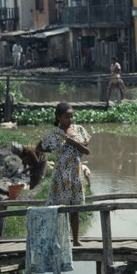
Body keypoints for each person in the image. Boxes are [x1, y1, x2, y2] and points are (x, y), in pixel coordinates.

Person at [37, 103, 91, 247]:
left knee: (75, 207)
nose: (70, 119)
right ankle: (58, 239)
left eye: (72, 116)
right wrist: (52, 152)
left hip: (75, 173)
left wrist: (73, 142)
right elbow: (38, 147)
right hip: (60, 173)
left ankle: (75, 240)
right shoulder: (53, 134)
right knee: (58, 207)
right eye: (67, 117)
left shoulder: (79, 130)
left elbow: (87, 151)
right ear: (58, 117)